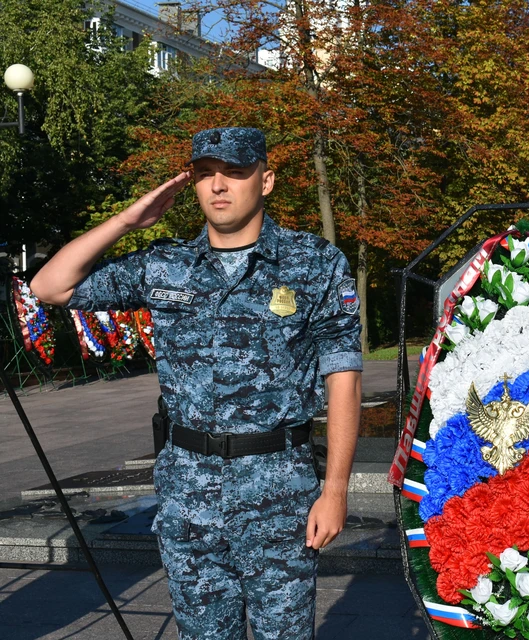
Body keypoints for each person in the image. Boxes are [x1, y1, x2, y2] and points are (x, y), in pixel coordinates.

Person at [30, 127, 362, 640]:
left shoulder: (314, 264)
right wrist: (129, 220)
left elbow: (344, 377)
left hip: (279, 491)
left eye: (234, 172)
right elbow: (50, 286)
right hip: (188, 492)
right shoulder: (166, 265)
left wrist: (335, 490)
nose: (219, 186)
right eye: (206, 174)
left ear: (266, 181)